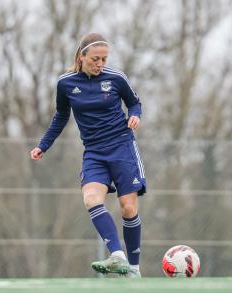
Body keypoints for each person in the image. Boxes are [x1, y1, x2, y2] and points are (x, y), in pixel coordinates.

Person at [30, 33, 146, 278]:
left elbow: (134, 103)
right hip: (94, 152)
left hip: (122, 147)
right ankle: (118, 256)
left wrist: (135, 115)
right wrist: (43, 145)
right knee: (91, 198)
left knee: (128, 208)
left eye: (104, 59)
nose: (100, 64)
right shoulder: (65, 83)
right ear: (81, 56)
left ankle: (134, 269)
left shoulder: (116, 78)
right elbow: (61, 116)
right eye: (95, 58)